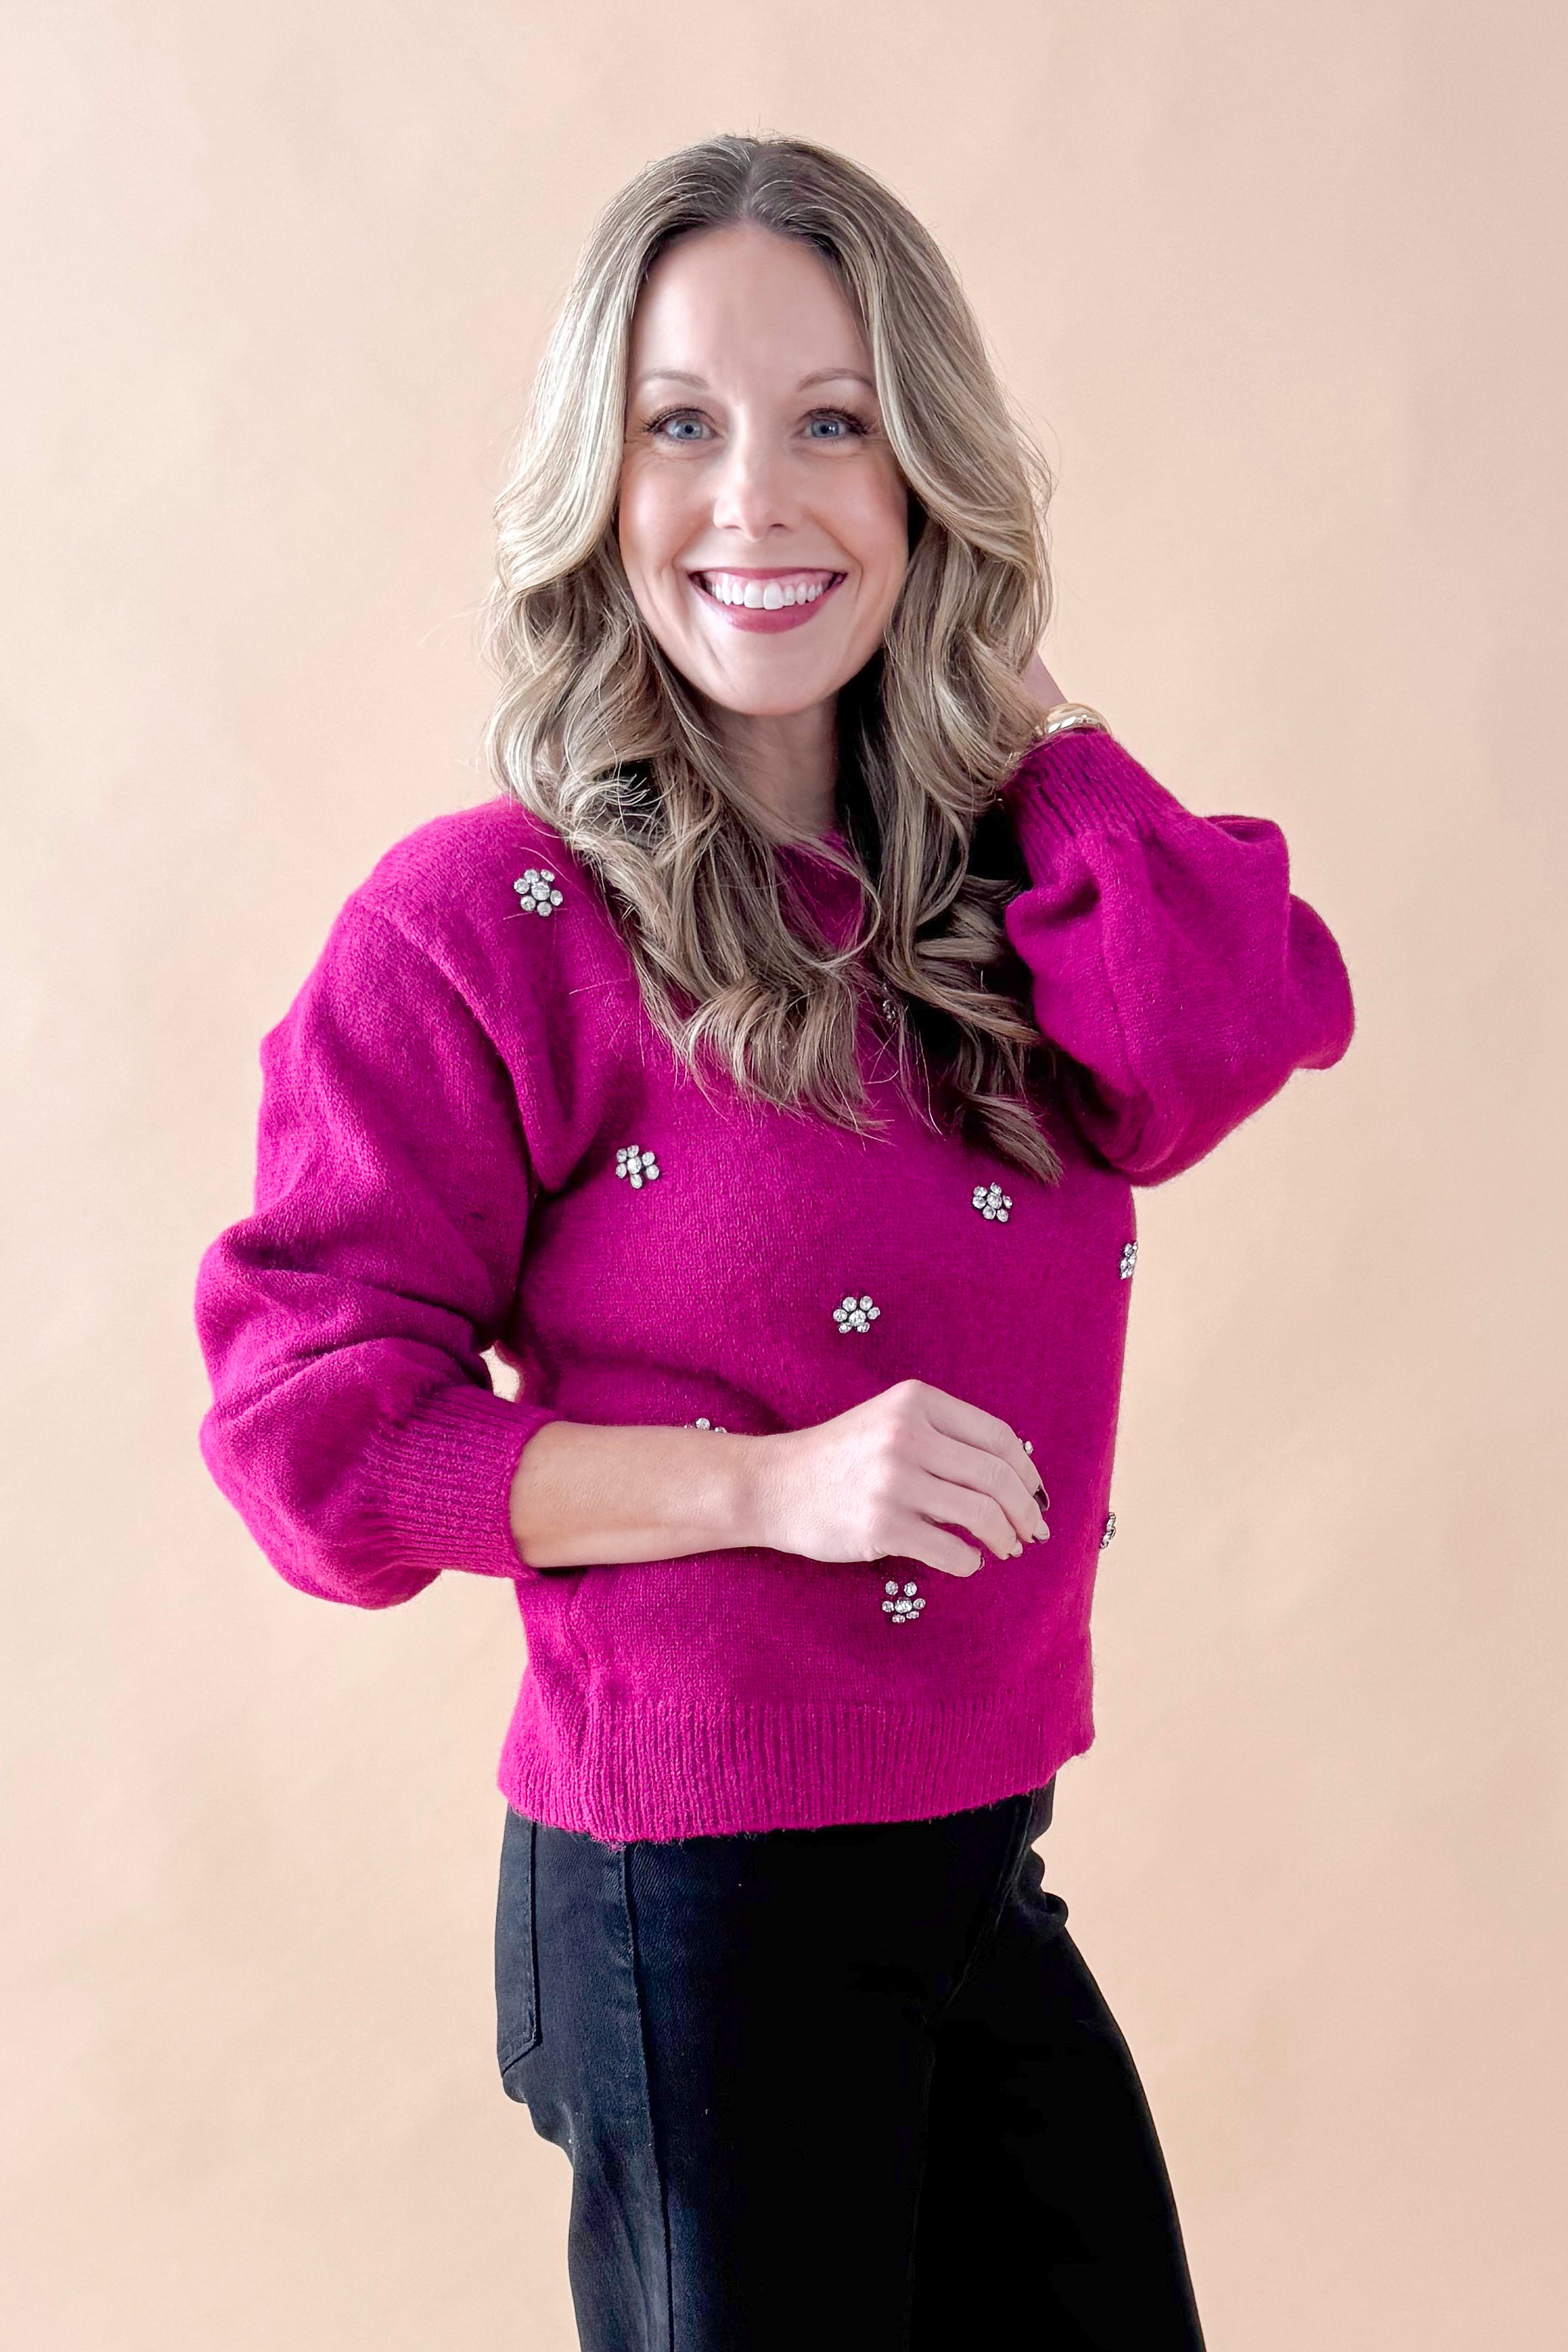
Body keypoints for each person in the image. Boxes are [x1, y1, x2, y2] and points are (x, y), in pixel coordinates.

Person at [194, 133, 1354, 2352]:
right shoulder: (486, 925)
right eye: (680, 425)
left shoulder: (997, 899)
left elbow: (1217, 1035)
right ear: (600, 483)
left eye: (834, 424)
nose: (757, 499)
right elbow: (307, 1436)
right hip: (693, 1906)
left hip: (976, 1850)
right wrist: (766, 1487)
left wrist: (1014, 719)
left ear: (926, 473)